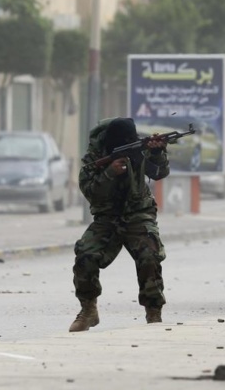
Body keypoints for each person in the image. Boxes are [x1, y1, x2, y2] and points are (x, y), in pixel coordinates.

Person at [69, 117, 169, 332]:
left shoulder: (138, 149)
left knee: (149, 256)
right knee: (85, 255)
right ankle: (88, 310)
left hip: (138, 215)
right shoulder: (95, 159)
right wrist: (110, 172)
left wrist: (157, 153)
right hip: (107, 218)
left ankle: (153, 312)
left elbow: (159, 173)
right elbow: (91, 193)